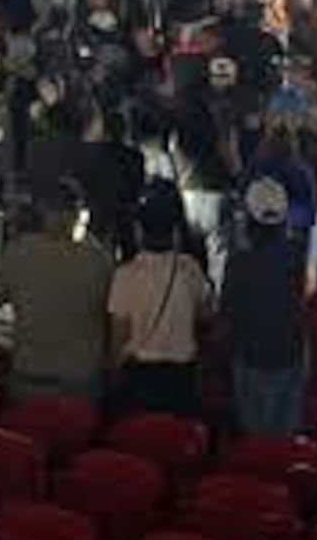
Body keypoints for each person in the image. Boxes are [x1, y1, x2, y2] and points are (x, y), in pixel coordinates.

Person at [0, 182, 114, 403]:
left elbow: (0, 296)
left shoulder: (17, 250)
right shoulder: (97, 258)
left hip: (27, 378)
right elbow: (110, 311)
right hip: (80, 383)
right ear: (78, 214)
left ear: (41, 210)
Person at [108, 190, 209, 415]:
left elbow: (118, 336)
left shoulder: (126, 275)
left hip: (140, 378)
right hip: (182, 379)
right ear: (175, 232)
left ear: (139, 231)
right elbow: (205, 316)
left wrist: (113, 371)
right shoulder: (190, 269)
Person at [220, 177, 307, 435]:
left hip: (251, 359)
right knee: (285, 431)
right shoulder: (295, 255)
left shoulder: (239, 264)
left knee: (254, 432)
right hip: (290, 355)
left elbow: (227, 312)